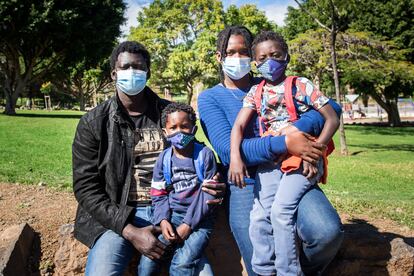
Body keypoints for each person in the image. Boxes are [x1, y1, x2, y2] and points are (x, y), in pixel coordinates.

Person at [197, 26, 344, 275]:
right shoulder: (210, 98)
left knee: (326, 233)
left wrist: (291, 131)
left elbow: (333, 110)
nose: (238, 57)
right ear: (219, 57)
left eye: (244, 51)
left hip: (289, 168)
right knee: (260, 259)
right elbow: (228, 149)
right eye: (231, 52)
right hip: (244, 181)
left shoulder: (274, 83)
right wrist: (285, 143)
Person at [72, 41, 225, 275]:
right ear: (114, 73)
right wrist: (129, 230)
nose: (131, 72)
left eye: (138, 67)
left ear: (148, 72)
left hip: (174, 210)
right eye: (125, 67)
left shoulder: (169, 115)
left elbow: (197, 151)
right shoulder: (94, 123)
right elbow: (85, 186)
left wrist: (215, 182)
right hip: (117, 214)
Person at [139, 102, 218, 275]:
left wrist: (187, 225)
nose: (179, 132)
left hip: (200, 221)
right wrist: (163, 220)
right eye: (173, 127)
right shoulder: (164, 159)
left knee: (182, 265)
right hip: (173, 217)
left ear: (194, 129)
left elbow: (208, 196)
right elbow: (158, 193)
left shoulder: (205, 155)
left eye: (184, 126)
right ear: (165, 132)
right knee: (148, 262)